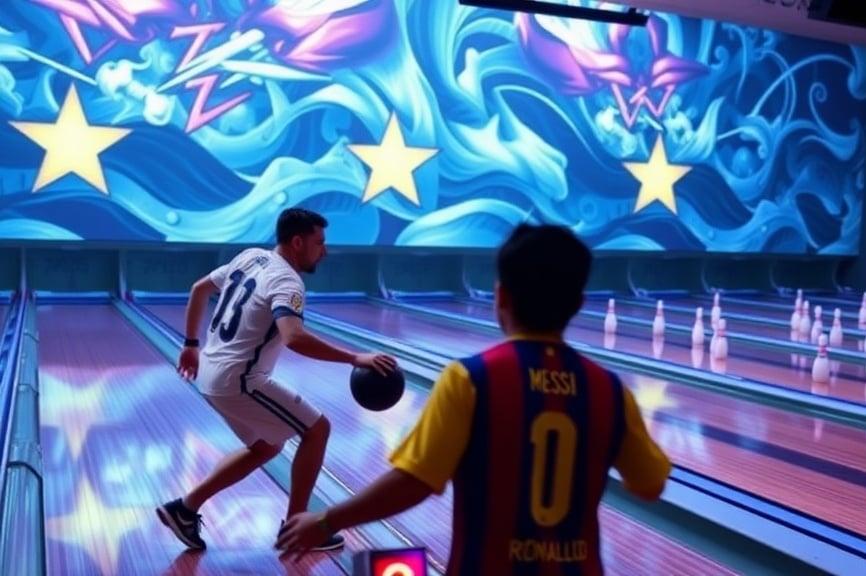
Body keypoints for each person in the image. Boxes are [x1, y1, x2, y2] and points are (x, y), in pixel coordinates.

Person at [275, 223, 672, 574]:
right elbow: (650, 485)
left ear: (500, 296)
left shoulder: (471, 381)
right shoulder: (608, 390)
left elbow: (414, 483)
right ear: (579, 305)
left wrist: (327, 521)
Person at [156, 207, 398, 552]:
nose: (325, 251)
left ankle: (185, 508)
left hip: (211, 372)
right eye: (320, 243)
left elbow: (198, 289)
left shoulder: (251, 256)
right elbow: (294, 337)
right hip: (239, 379)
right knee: (317, 429)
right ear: (297, 243)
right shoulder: (287, 281)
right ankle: (297, 528)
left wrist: (191, 345)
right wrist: (355, 358)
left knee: (266, 446)